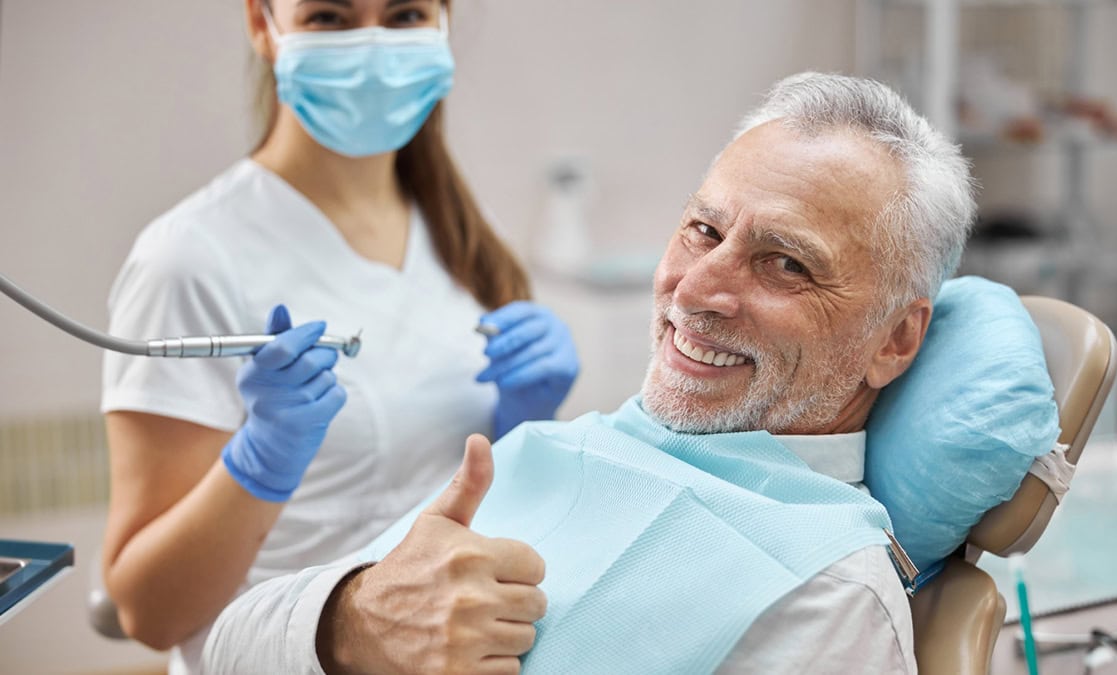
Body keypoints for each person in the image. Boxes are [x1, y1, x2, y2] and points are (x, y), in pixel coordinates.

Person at [198, 71, 976, 674]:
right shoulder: (550, 449)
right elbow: (227, 646)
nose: (693, 291)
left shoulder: (826, 589)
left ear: (894, 339)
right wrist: (353, 621)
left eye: (786, 263)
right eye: (704, 230)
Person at [99, 1, 579, 672]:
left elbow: (474, 501)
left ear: (442, 21)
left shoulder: (465, 234)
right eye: (329, 16)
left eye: (404, 14)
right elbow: (148, 612)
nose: (372, 48)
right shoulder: (187, 258)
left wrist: (523, 427)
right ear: (263, 25)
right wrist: (259, 464)